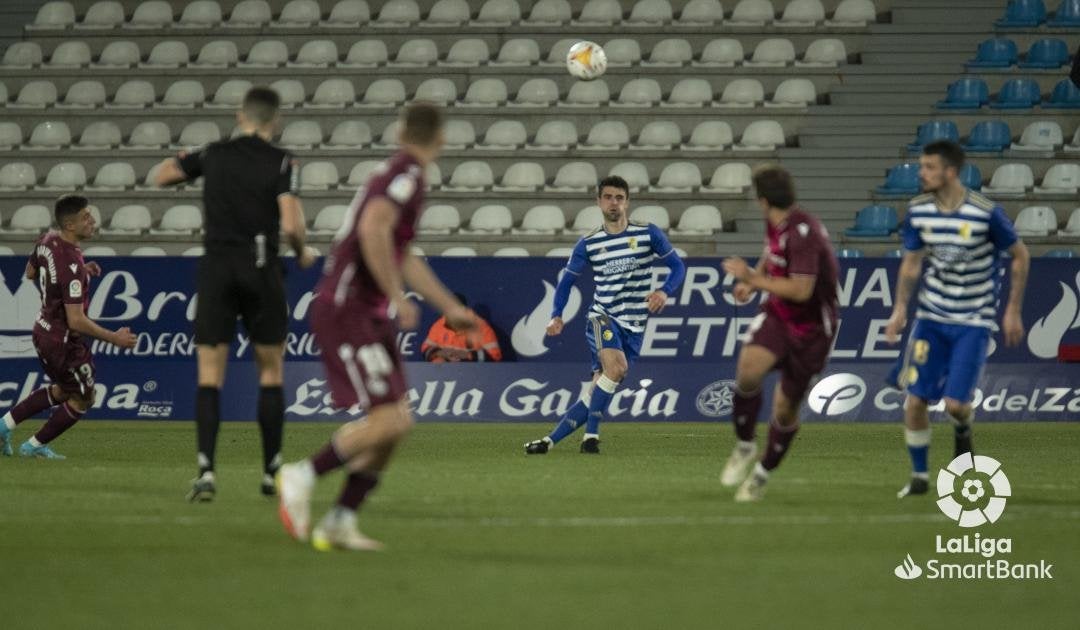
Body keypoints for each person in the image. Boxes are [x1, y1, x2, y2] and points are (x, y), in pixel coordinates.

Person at [275, 103, 475, 552]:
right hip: (348, 308)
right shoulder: (406, 176)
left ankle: (340, 521)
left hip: (364, 311)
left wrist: (447, 307)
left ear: (401, 130)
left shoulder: (396, 173)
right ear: (440, 139)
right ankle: (301, 475)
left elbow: (401, 251)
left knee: (398, 422)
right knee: (387, 420)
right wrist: (398, 296)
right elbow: (373, 229)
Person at [154, 86, 316, 502]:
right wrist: (301, 252)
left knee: (210, 375)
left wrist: (194, 162)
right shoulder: (282, 161)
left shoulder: (213, 154)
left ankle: (206, 471)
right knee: (270, 372)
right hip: (260, 268)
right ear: (274, 121)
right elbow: (293, 226)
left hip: (216, 270)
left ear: (239, 115)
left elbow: (164, 174)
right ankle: (271, 471)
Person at [885, 140, 1029, 499]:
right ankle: (919, 477)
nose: (921, 173)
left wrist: (1012, 309)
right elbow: (912, 262)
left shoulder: (985, 212)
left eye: (929, 167)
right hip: (931, 318)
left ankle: (963, 428)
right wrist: (900, 309)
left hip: (973, 321)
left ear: (950, 172)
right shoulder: (918, 210)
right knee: (915, 401)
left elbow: (1020, 255)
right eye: (922, 166)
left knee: (956, 405)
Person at [523, 175, 686, 455]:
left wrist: (664, 291)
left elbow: (677, 267)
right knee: (617, 369)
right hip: (602, 316)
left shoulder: (648, 233)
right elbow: (566, 282)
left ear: (627, 202)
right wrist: (556, 315)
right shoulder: (588, 243)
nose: (614, 203)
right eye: (608, 197)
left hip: (634, 322)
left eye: (619, 198)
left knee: (603, 384)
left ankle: (558, 441)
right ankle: (589, 437)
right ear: (599, 202)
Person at [719, 165, 839, 502]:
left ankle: (761, 473)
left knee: (785, 410)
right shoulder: (777, 222)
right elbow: (771, 253)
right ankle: (744, 446)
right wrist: (751, 279)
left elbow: (801, 290)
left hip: (813, 328)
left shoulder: (804, 232)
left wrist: (752, 279)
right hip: (777, 316)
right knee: (747, 372)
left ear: (762, 199)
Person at [0, 195, 137, 459]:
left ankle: (4, 426)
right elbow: (76, 320)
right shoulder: (71, 263)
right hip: (62, 341)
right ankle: (33, 447)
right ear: (70, 225)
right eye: (86, 217)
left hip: (42, 329)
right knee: (84, 397)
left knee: (64, 390)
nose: (93, 221)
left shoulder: (47, 240)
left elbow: (30, 273)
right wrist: (114, 338)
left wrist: (79, 271)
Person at [421, 293, 502, 362]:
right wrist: (440, 353)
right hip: (443, 373)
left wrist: (467, 355)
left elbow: (495, 356)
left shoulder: (481, 326)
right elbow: (425, 349)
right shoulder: (439, 325)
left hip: (472, 373)